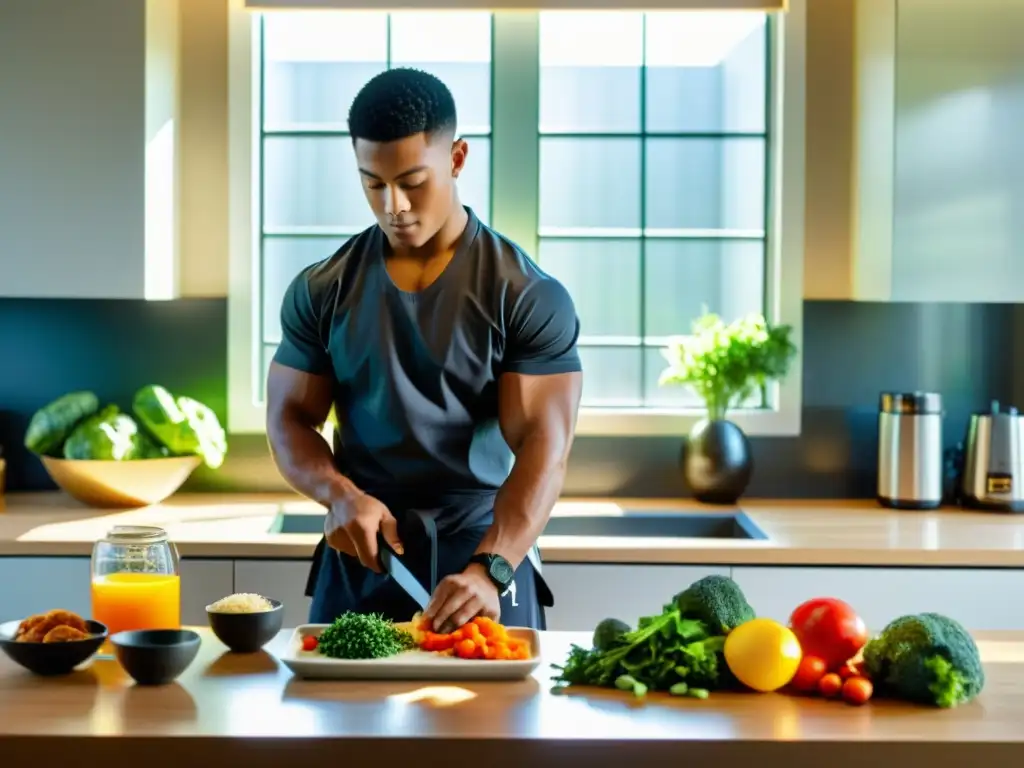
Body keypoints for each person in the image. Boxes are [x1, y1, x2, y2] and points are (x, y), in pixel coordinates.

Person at [265, 67, 583, 634]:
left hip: (484, 561)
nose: (394, 205)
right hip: (361, 552)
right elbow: (288, 417)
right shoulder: (321, 289)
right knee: (341, 724)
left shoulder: (526, 294)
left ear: (457, 159)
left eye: (413, 181)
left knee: (485, 725)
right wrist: (336, 494)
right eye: (373, 183)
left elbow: (544, 448)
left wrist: (492, 568)